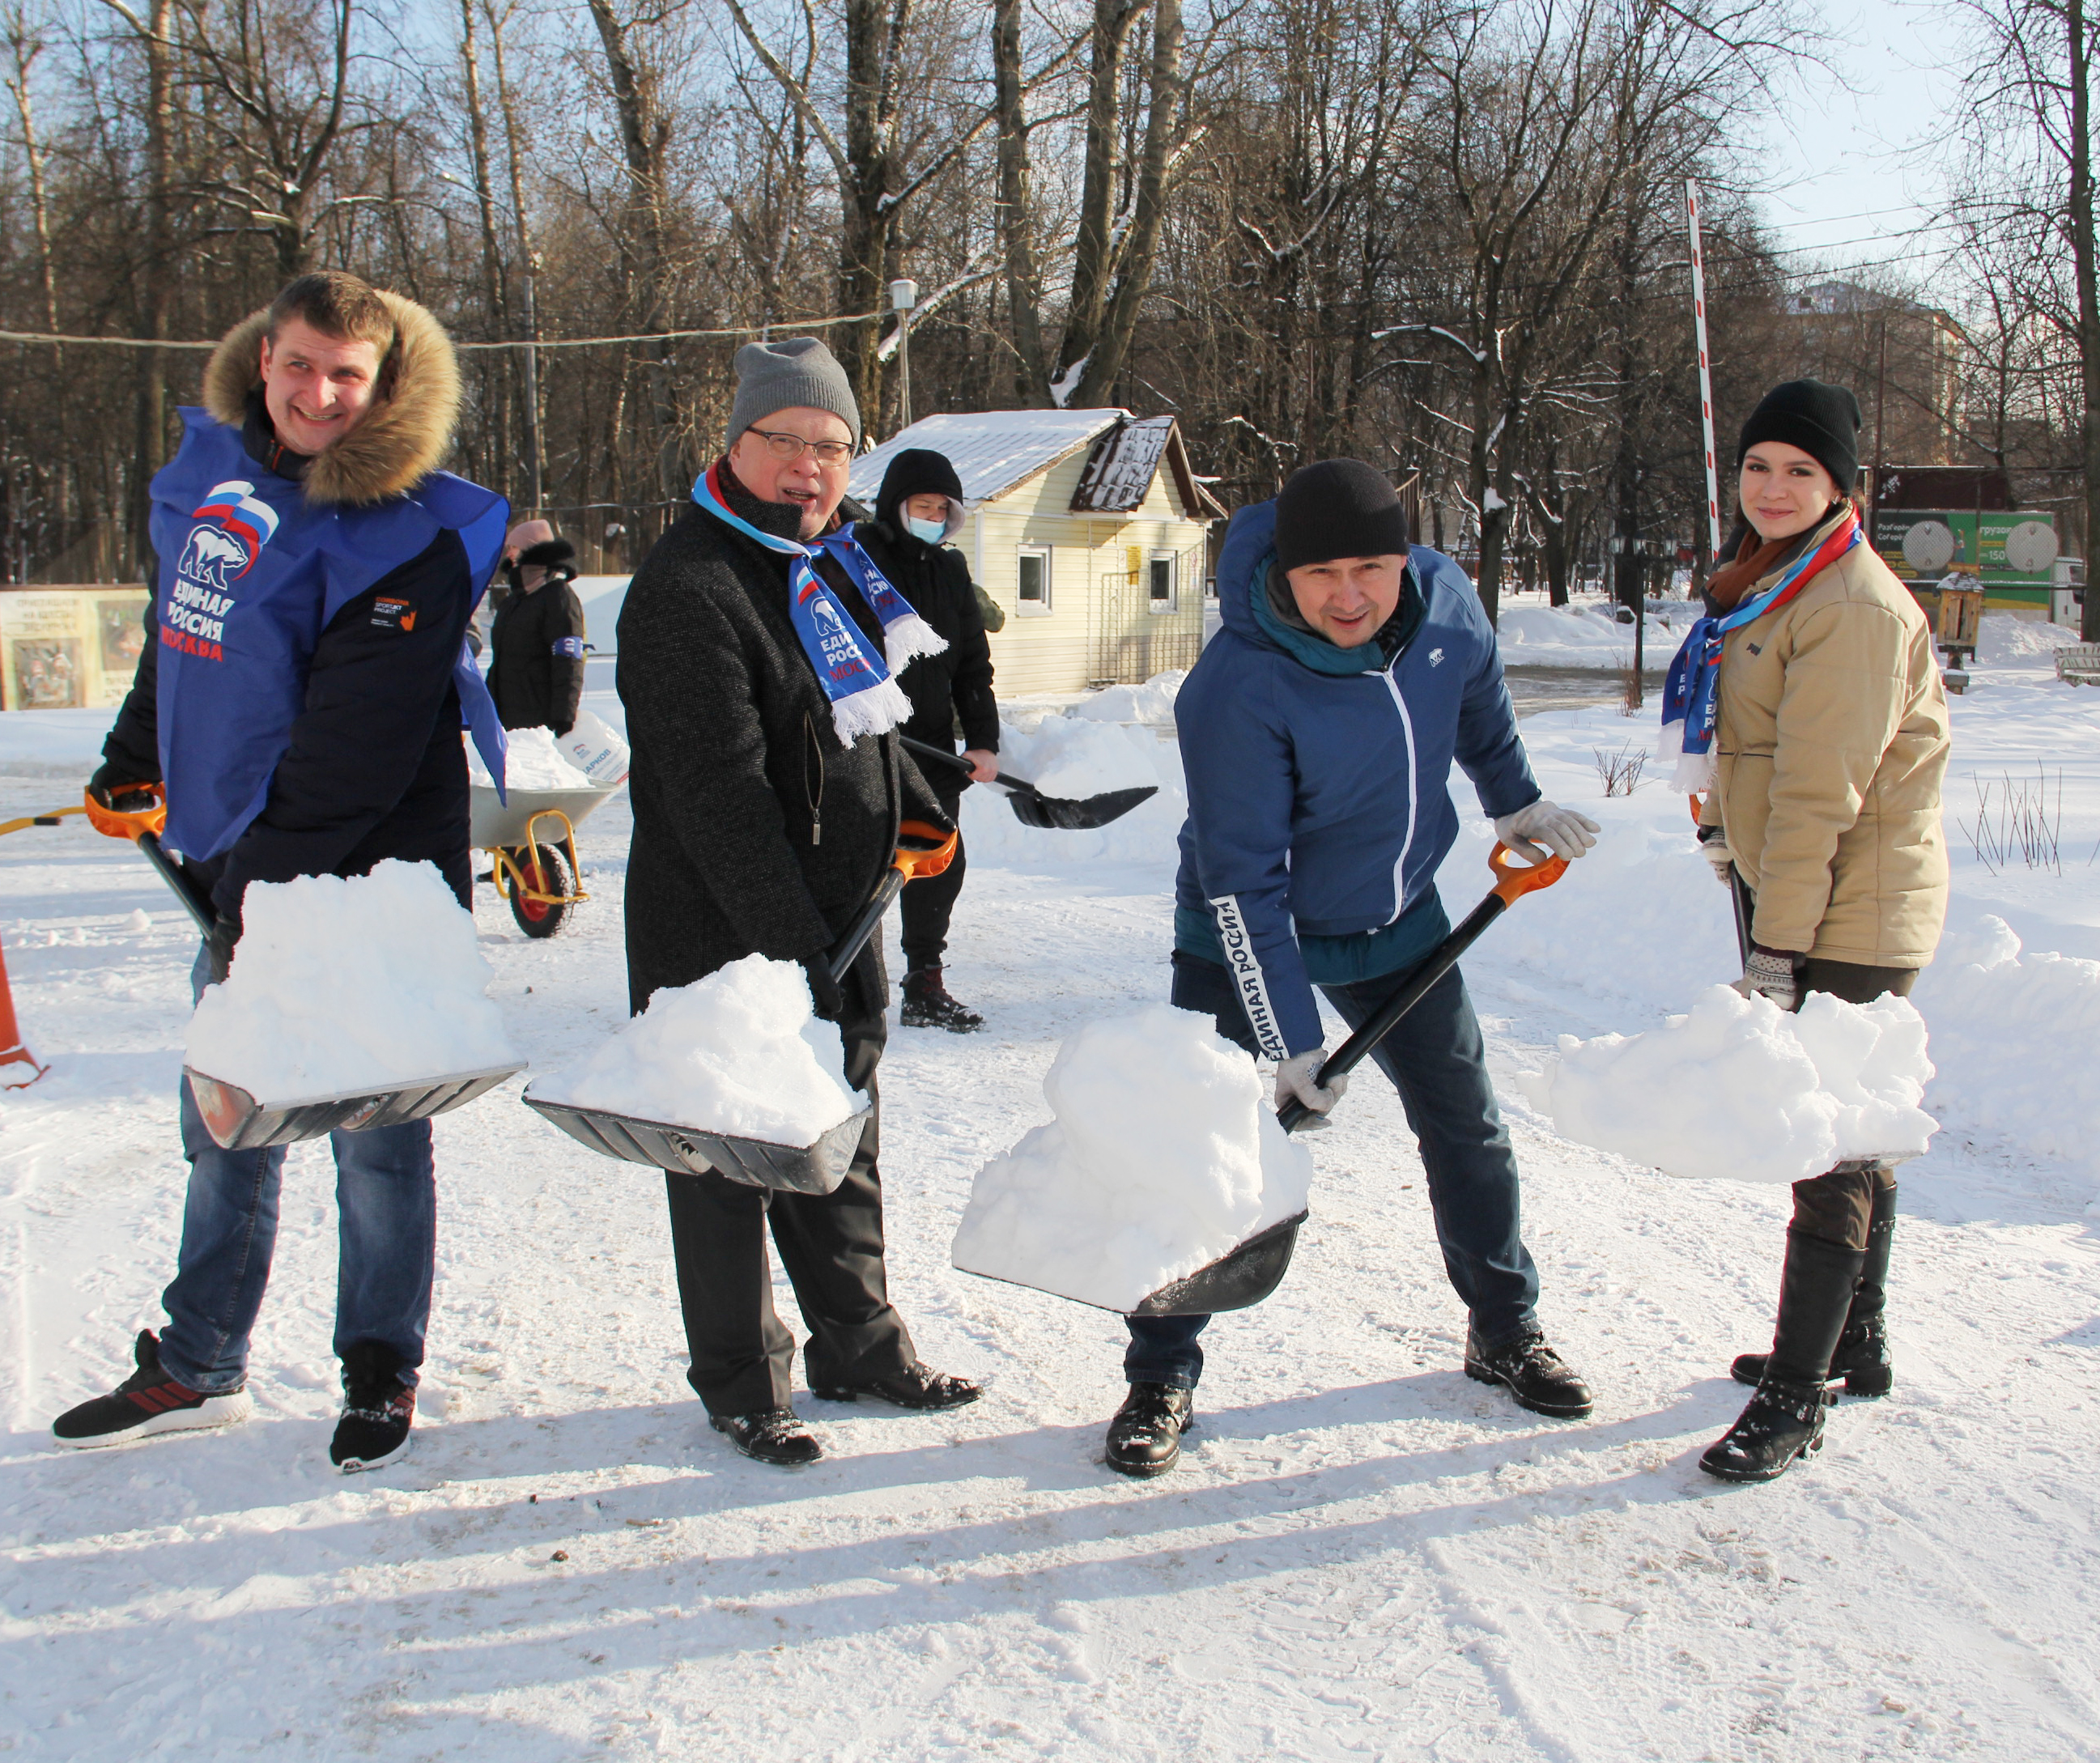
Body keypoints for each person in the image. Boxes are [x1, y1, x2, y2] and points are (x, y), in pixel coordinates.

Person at [53, 270, 509, 1472]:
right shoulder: (218, 485)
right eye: (301, 365)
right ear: (265, 357)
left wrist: (248, 896)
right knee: (225, 1121)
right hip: (244, 865)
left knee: (373, 1138)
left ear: (384, 383)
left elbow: (351, 753)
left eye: (347, 376)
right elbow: (186, 628)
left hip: (366, 881)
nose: (320, 394)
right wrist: (131, 756)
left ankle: (376, 1366)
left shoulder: (412, 533)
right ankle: (200, 1362)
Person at [1103, 459, 1601, 1477]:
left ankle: (1503, 1328)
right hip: (1243, 932)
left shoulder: (1442, 600)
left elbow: (1478, 694)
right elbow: (1244, 881)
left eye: (1369, 566)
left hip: (1396, 918)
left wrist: (1512, 798)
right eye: (1320, 572)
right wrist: (1289, 1040)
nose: (1347, 595)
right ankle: (1160, 1370)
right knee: (1204, 1148)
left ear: (1404, 560)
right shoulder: (1236, 686)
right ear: (1282, 573)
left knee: (1465, 1124)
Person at [618, 337, 980, 1468]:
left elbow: (864, 726)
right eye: (787, 443)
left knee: (839, 1138)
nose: (811, 469)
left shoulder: (826, 571)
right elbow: (717, 791)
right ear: (735, 446)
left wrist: (916, 805)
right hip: (723, 937)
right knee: (729, 1152)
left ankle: (859, 1346)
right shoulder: (690, 587)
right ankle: (740, 1379)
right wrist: (792, 953)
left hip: (839, 921)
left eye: (831, 447)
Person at [1664, 379, 1949, 1483]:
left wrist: (1775, 948)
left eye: (1798, 471)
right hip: (1807, 887)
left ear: (1839, 488)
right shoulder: (1773, 584)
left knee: (1824, 1137)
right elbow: (1755, 759)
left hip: (1848, 904)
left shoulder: (1851, 608)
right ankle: (1854, 1342)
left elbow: (1817, 795)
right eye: (1756, 466)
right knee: (1854, 1119)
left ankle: (1795, 1391)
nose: (1771, 487)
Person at [852, 448, 999, 1031]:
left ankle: (923, 981)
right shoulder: (854, 560)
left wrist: (982, 740)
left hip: (934, 749)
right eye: (923, 505)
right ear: (896, 505)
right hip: (864, 744)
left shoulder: (950, 571)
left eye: (943, 508)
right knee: (862, 867)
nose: (934, 515)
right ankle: (843, 982)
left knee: (937, 864)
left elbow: (972, 665)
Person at [487, 517, 587, 737]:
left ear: (531, 549)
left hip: (540, 721)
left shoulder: (557, 596)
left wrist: (564, 716)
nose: (509, 554)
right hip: (506, 717)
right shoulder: (514, 601)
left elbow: (569, 659)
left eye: (514, 547)